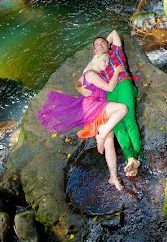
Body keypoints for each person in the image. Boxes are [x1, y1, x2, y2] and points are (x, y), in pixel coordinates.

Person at [37, 52, 127, 191]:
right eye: (104, 61)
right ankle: (102, 132)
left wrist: (79, 87)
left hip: (96, 107)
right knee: (122, 109)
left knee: (109, 143)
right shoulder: (91, 73)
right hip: (92, 107)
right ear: (96, 60)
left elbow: (78, 83)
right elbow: (109, 87)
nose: (106, 64)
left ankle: (113, 177)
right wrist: (116, 72)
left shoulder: (92, 74)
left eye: (107, 61)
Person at [79, 30, 142, 177]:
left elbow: (114, 33)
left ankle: (136, 157)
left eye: (103, 43)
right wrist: (80, 88)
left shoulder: (117, 52)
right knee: (117, 125)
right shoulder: (96, 65)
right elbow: (81, 80)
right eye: (97, 45)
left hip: (124, 83)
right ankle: (131, 160)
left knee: (129, 119)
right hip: (109, 92)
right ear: (93, 52)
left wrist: (105, 45)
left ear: (108, 44)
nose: (101, 45)